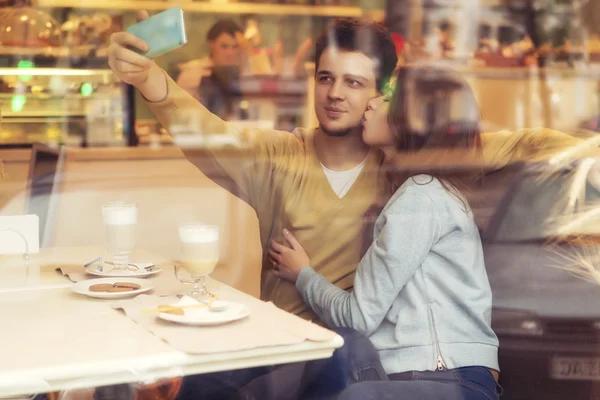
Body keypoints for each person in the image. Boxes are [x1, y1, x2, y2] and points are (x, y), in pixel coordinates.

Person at [270, 65, 502, 400]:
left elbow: (359, 316)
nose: (372, 104)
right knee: (338, 350)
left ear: (413, 119)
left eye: (388, 98)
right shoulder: (433, 191)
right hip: (432, 375)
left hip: (451, 378)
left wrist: (303, 275)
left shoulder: (420, 196)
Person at [176, 18, 245, 118]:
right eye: (224, 46)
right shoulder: (193, 72)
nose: (230, 53)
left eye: (235, 47)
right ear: (211, 44)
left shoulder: (241, 74)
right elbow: (177, 112)